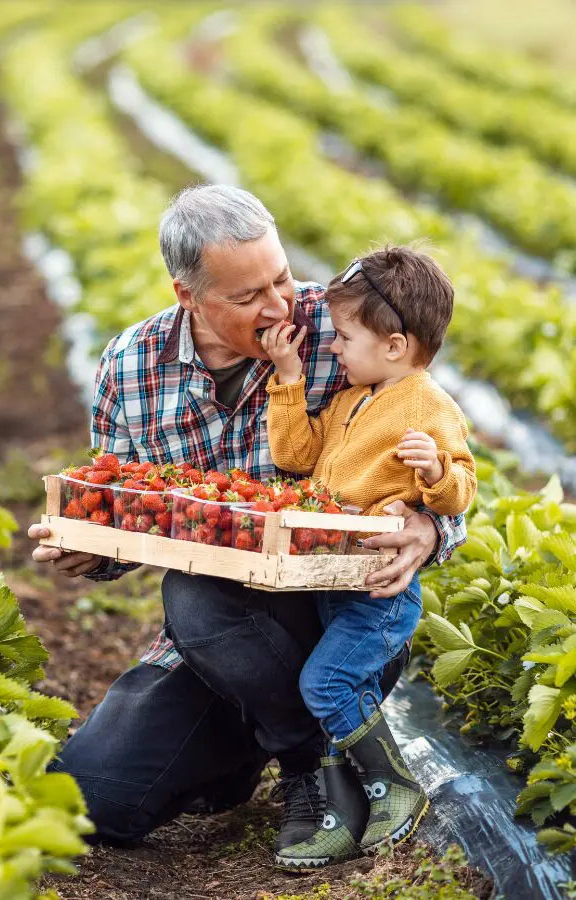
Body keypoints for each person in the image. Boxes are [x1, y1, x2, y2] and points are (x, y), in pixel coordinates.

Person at [27, 186, 467, 863]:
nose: (280, 304)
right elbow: (129, 507)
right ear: (188, 296)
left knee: (190, 589)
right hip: (212, 644)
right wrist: (90, 547)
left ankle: (305, 773)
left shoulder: (348, 329)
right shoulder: (130, 368)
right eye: (247, 296)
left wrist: (432, 531)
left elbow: (448, 465)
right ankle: (253, 748)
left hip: (329, 618)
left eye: (282, 276)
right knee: (91, 801)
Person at [262, 245, 476, 867]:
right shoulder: (350, 400)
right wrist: (286, 378)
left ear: (394, 345)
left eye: (344, 337)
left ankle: (396, 787)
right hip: (336, 580)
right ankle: (346, 807)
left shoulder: (429, 408)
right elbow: (297, 458)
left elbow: (462, 487)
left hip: (380, 589)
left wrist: (435, 473)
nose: (333, 348)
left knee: (325, 683)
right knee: (337, 690)